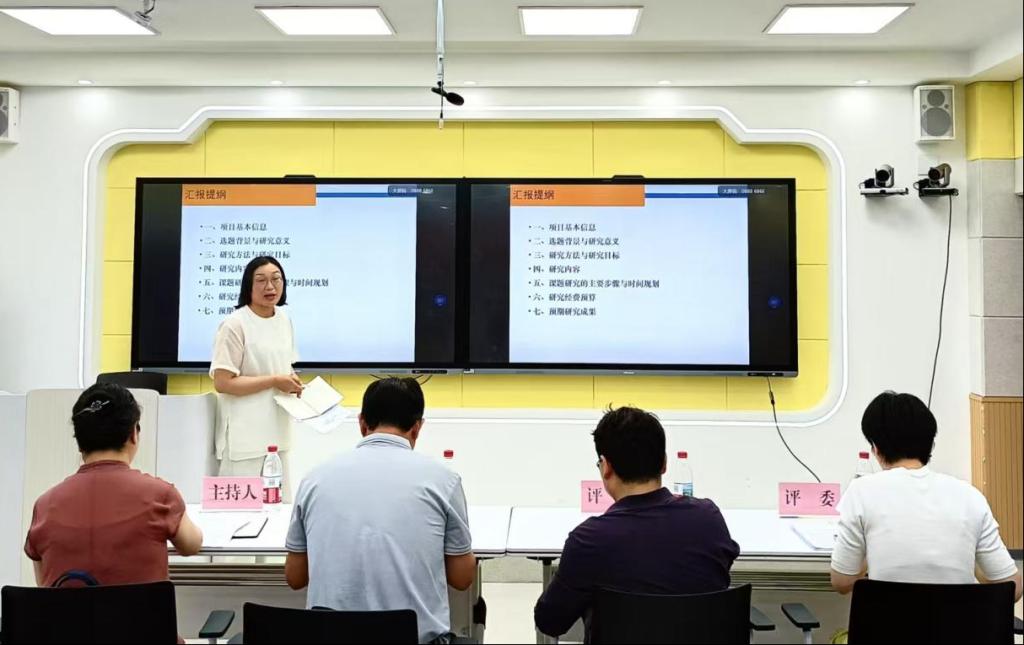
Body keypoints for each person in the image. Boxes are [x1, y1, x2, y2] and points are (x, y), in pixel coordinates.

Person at [284, 377, 475, 645]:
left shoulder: (314, 479)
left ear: (362, 423)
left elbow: (295, 577)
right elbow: (462, 578)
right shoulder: (443, 480)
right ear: (417, 428)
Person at [534, 406, 740, 640]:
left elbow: (550, 622)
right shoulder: (708, 519)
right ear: (664, 463)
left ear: (606, 467)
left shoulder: (588, 541)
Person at [831, 391, 1022, 601]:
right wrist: (969, 562)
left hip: (886, 623)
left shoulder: (861, 491)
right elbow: (1012, 588)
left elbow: (842, 581)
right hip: (960, 623)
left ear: (876, 449)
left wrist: (871, 555)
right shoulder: (970, 496)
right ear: (931, 445)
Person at [24, 383, 203, 586]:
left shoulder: (44, 506)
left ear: (80, 443)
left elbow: (43, 585)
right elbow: (191, 545)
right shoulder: (161, 496)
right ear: (133, 434)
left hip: (67, 609)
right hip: (140, 609)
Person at [211, 256, 302, 491]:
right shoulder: (235, 324)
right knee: (239, 508)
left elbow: (282, 366)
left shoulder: (284, 319)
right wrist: (274, 381)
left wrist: (292, 381)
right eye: (261, 280)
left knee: (279, 506)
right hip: (244, 437)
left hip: (278, 433)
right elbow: (223, 383)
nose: (270, 287)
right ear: (248, 286)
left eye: (276, 279)